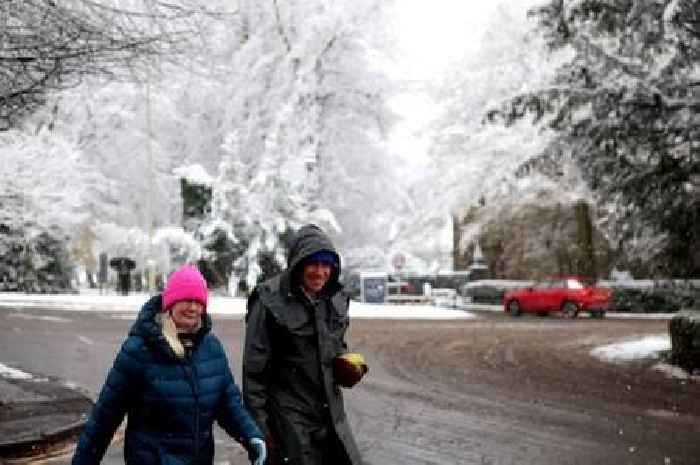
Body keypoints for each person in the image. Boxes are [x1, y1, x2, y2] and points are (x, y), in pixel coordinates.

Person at [71, 265, 267, 465]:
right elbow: (104, 417)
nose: (193, 308)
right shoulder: (139, 349)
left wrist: (252, 436)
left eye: (199, 302)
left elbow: (228, 403)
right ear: (170, 303)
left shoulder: (211, 347)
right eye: (186, 300)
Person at [243, 224, 368, 465]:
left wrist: (345, 366)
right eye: (313, 264)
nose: (320, 272)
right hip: (287, 420)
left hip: (330, 416)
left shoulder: (336, 299)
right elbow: (254, 374)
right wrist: (260, 431)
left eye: (326, 265)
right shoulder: (269, 301)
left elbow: (335, 347)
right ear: (298, 264)